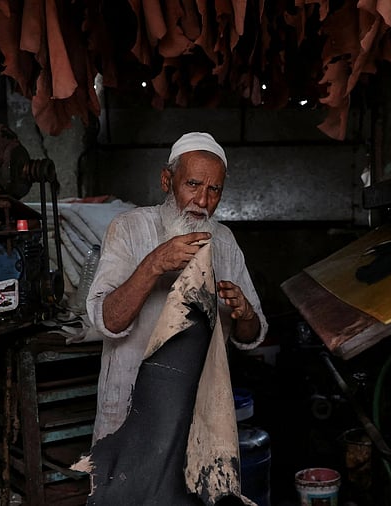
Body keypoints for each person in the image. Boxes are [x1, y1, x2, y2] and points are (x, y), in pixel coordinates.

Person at [86, 131, 268, 442]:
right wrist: (154, 263)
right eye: (193, 185)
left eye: (214, 190)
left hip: (200, 412)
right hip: (132, 409)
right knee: (128, 488)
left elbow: (250, 336)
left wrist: (246, 315)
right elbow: (108, 321)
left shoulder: (224, 240)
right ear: (166, 180)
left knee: (193, 488)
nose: (202, 201)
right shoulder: (129, 228)